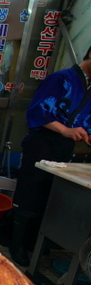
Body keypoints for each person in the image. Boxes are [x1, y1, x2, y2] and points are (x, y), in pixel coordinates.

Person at [9, 45, 91, 266]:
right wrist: (65, 130)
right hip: (42, 143)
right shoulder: (61, 78)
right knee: (29, 193)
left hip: (66, 147)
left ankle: (32, 243)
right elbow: (36, 111)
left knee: (48, 195)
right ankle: (15, 246)